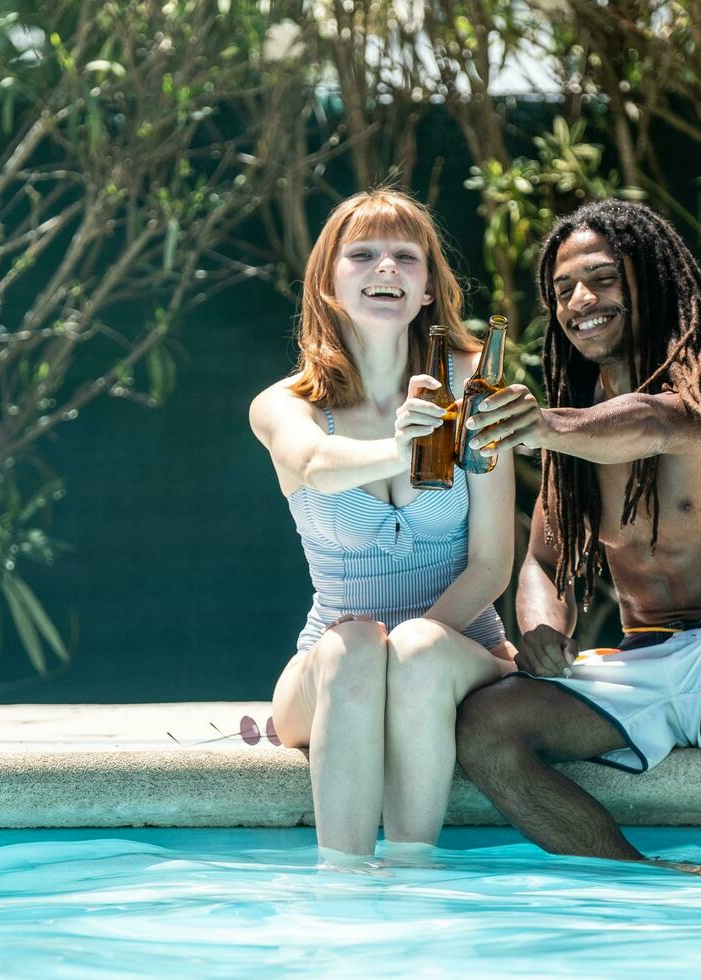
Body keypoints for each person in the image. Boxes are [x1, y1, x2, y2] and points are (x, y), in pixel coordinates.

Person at [455, 199, 701, 878]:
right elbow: (545, 558)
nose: (580, 300)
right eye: (563, 289)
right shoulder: (577, 417)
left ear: (652, 280)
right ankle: (654, 876)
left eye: (602, 279)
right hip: (645, 667)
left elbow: (657, 422)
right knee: (482, 728)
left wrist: (545, 426)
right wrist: (541, 625)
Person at [248, 189, 516, 862]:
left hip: (458, 655)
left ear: (429, 288)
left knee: (415, 650)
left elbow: (491, 563)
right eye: (362, 254)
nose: (386, 268)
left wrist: (413, 646)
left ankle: (413, 881)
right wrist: (397, 451)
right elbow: (310, 463)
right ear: (328, 284)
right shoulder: (284, 405)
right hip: (334, 665)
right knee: (356, 646)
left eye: (406, 256)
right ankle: (341, 892)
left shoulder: (475, 387)